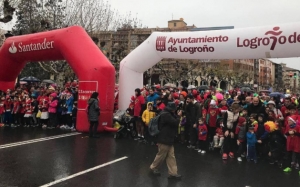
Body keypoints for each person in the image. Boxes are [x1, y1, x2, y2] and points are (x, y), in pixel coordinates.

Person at [150, 102, 182, 179]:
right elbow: (175, 123)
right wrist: (178, 116)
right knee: (161, 155)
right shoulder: (166, 115)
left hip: (168, 138)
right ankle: (153, 167)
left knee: (171, 156)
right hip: (164, 139)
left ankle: (173, 173)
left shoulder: (165, 113)